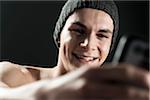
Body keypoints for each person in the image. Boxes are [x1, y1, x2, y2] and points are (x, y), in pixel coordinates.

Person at [0, 0, 149, 100]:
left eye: (102, 35)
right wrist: (49, 94)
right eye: (78, 31)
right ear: (59, 35)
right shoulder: (16, 75)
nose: (88, 44)